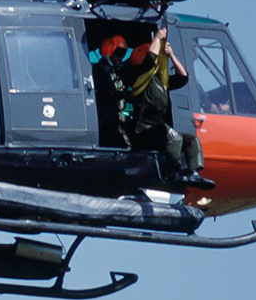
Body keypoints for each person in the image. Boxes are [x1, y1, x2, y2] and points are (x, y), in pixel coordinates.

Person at [125, 25, 214, 190]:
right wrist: (157, 38)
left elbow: (183, 78)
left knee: (191, 140)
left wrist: (171, 54)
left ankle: (194, 172)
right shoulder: (136, 75)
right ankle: (174, 171)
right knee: (171, 134)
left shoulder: (161, 81)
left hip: (157, 130)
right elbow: (149, 60)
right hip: (143, 131)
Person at [90, 34, 133, 148]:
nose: (120, 57)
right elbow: (104, 93)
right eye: (118, 53)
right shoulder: (100, 70)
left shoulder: (115, 70)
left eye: (123, 53)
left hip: (116, 118)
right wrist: (124, 95)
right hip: (107, 120)